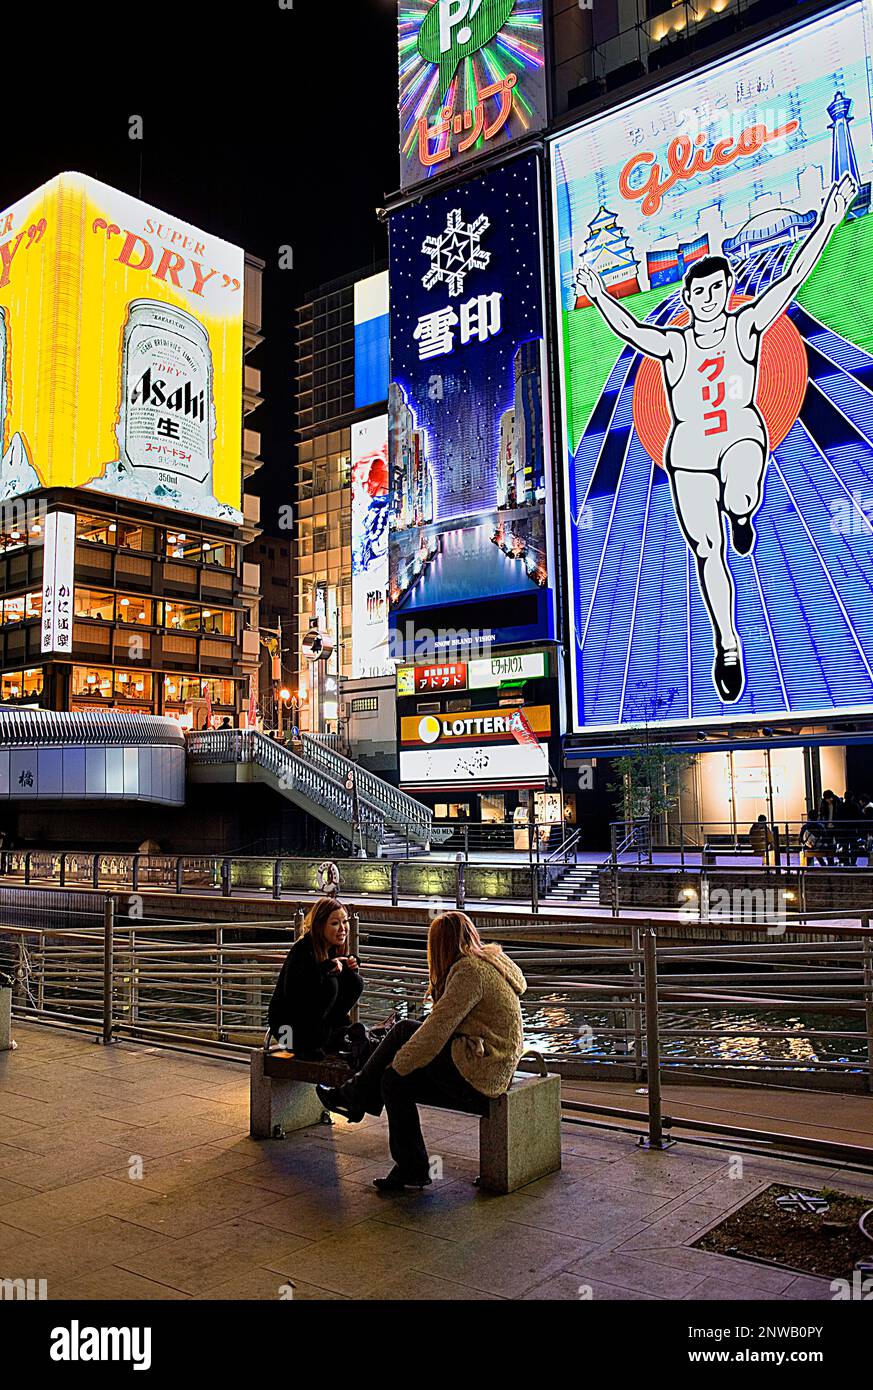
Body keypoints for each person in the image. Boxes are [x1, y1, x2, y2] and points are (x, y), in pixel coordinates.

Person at [576, 174, 857, 704]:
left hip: (742, 437)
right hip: (690, 454)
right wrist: (597, 292)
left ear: (727, 291)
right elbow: (633, 330)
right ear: (688, 295)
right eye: (699, 291)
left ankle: (744, 512)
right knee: (707, 548)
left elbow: (793, 278)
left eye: (716, 289)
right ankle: (727, 643)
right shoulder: (676, 345)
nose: (708, 298)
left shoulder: (746, 326)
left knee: (741, 493)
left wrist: (828, 218)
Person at [316, 911, 527, 1192]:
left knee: (396, 1066)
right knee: (396, 1075)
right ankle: (361, 1106)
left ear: (441, 945)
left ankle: (356, 1099)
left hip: (482, 1072)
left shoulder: (469, 972)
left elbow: (435, 1032)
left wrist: (398, 1063)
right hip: (490, 1061)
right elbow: (441, 1026)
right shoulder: (487, 962)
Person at [267, 897, 362, 1060]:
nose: (343, 929)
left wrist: (351, 963)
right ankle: (312, 1043)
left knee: (354, 980)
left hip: (314, 1030)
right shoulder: (302, 950)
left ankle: (332, 1035)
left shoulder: (330, 948)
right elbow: (295, 993)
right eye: (335, 923)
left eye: (345, 922)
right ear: (320, 926)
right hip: (286, 1034)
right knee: (330, 983)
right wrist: (326, 968)